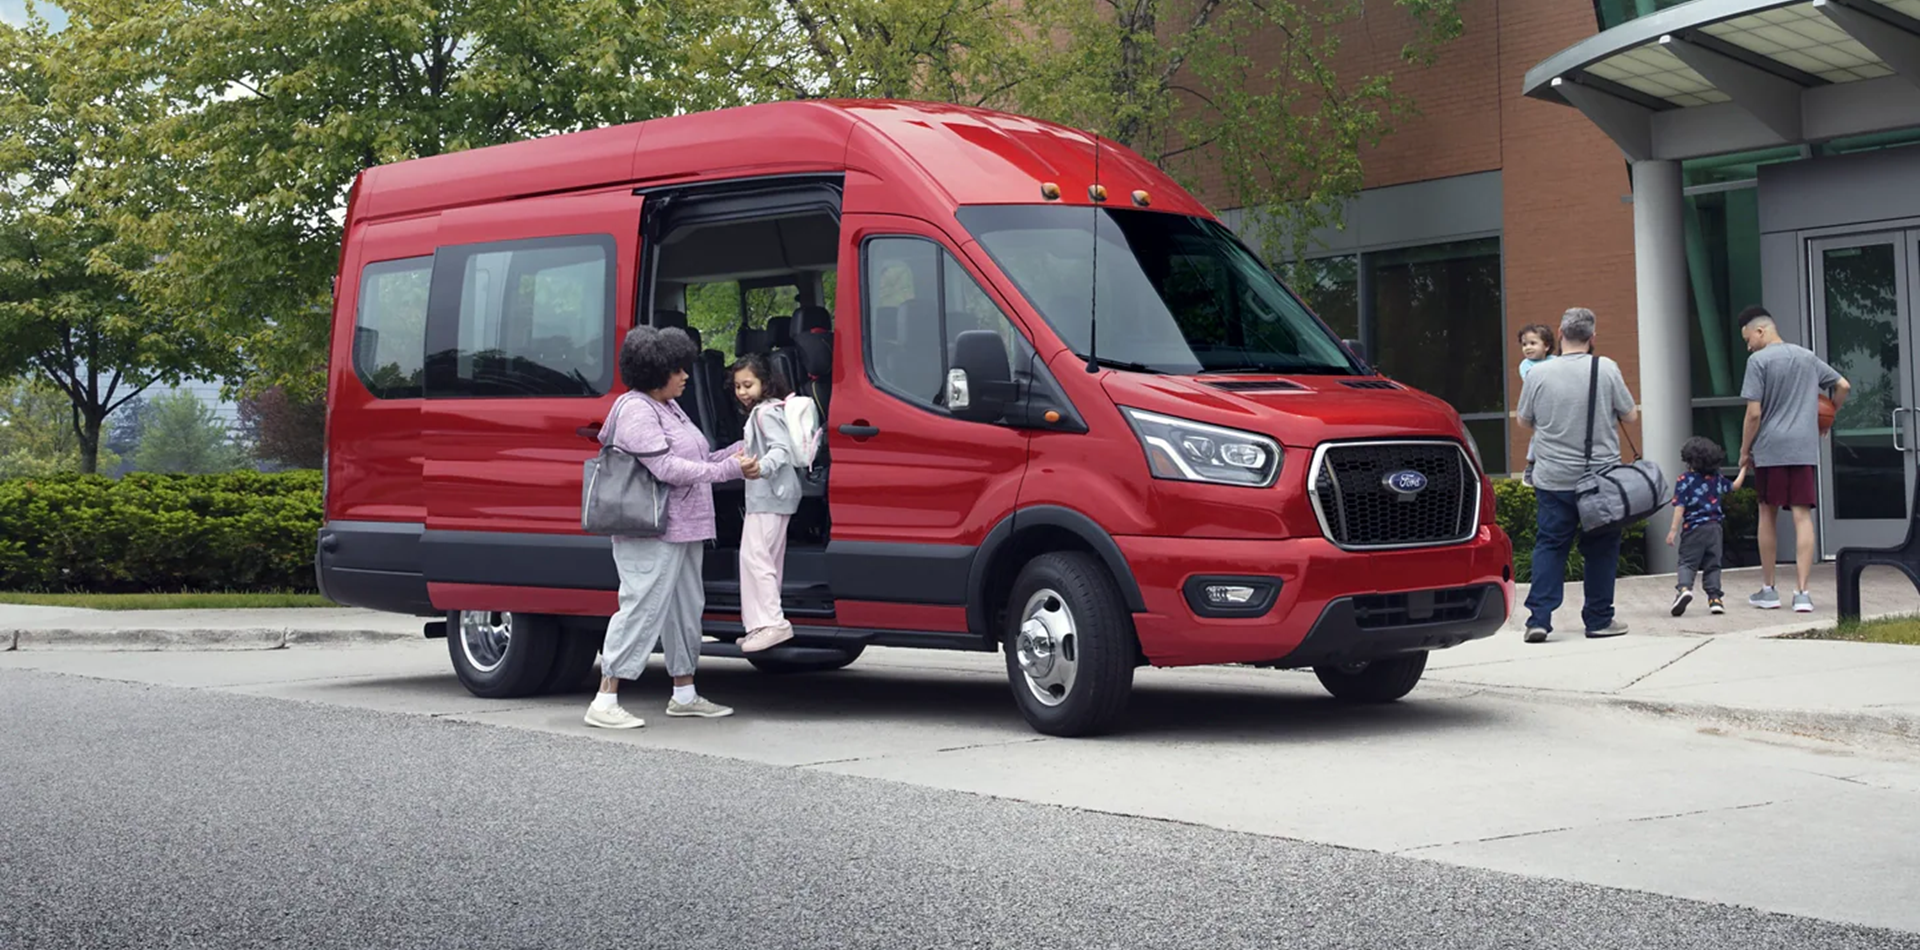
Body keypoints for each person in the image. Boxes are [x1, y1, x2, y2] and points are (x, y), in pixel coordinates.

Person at [585, 325, 761, 730]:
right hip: (652, 529)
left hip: (684, 526)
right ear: (654, 372)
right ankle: (605, 699)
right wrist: (728, 470)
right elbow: (666, 468)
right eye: (678, 369)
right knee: (641, 607)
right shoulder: (636, 410)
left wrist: (739, 448)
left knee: (685, 609)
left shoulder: (667, 406)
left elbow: (699, 459)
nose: (685, 376)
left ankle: (684, 693)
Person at [1514, 307, 1639, 643]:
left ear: (1560, 333)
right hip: (1600, 479)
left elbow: (1524, 421)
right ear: (1593, 337)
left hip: (1553, 478)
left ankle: (1538, 620)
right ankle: (1598, 620)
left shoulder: (1539, 374)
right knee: (1601, 548)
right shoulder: (1606, 368)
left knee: (1550, 545)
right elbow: (1630, 416)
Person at [1734, 305, 1850, 613]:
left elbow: (1753, 413)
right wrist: (1829, 417)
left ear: (1761, 331)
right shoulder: (1807, 357)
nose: (1748, 346)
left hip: (1770, 448)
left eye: (1748, 339)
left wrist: (1744, 450)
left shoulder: (1758, 362)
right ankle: (1802, 593)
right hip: (1802, 448)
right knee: (1802, 516)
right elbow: (1843, 385)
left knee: (1767, 514)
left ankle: (1769, 590)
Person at [730, 354, 801, 654]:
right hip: (773, 496)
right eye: (737, 386)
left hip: (768, 495)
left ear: (765, 383)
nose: (742, 392)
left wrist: (762, 468)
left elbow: (780, 449)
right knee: (765, 559)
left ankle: (772, 622)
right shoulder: (768, 409)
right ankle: (760, 624)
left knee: (755, 559)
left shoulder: (765, 413)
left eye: (748, 385)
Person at [1666, 437, 1748, 617]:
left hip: (1693, 528)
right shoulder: (1716, 479)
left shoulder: (1684, 479)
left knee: (1687, 563)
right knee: (1713, 565)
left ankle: (1684, 589)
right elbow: (1734, 486)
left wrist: (1673, 530)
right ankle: (1715, 599)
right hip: (1714, 528)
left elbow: (1680, 506)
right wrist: (1744, 469)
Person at [1516, 323, 1557, 486]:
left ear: (1546, 346)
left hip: (1557, 405)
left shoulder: (1556, 361)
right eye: (1524, 344)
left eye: (1533, 343)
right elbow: (1533, 381)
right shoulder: (1526, 365)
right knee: (1539, 435)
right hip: (1539, 407)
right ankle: (1531, 465)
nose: (1527, 348)